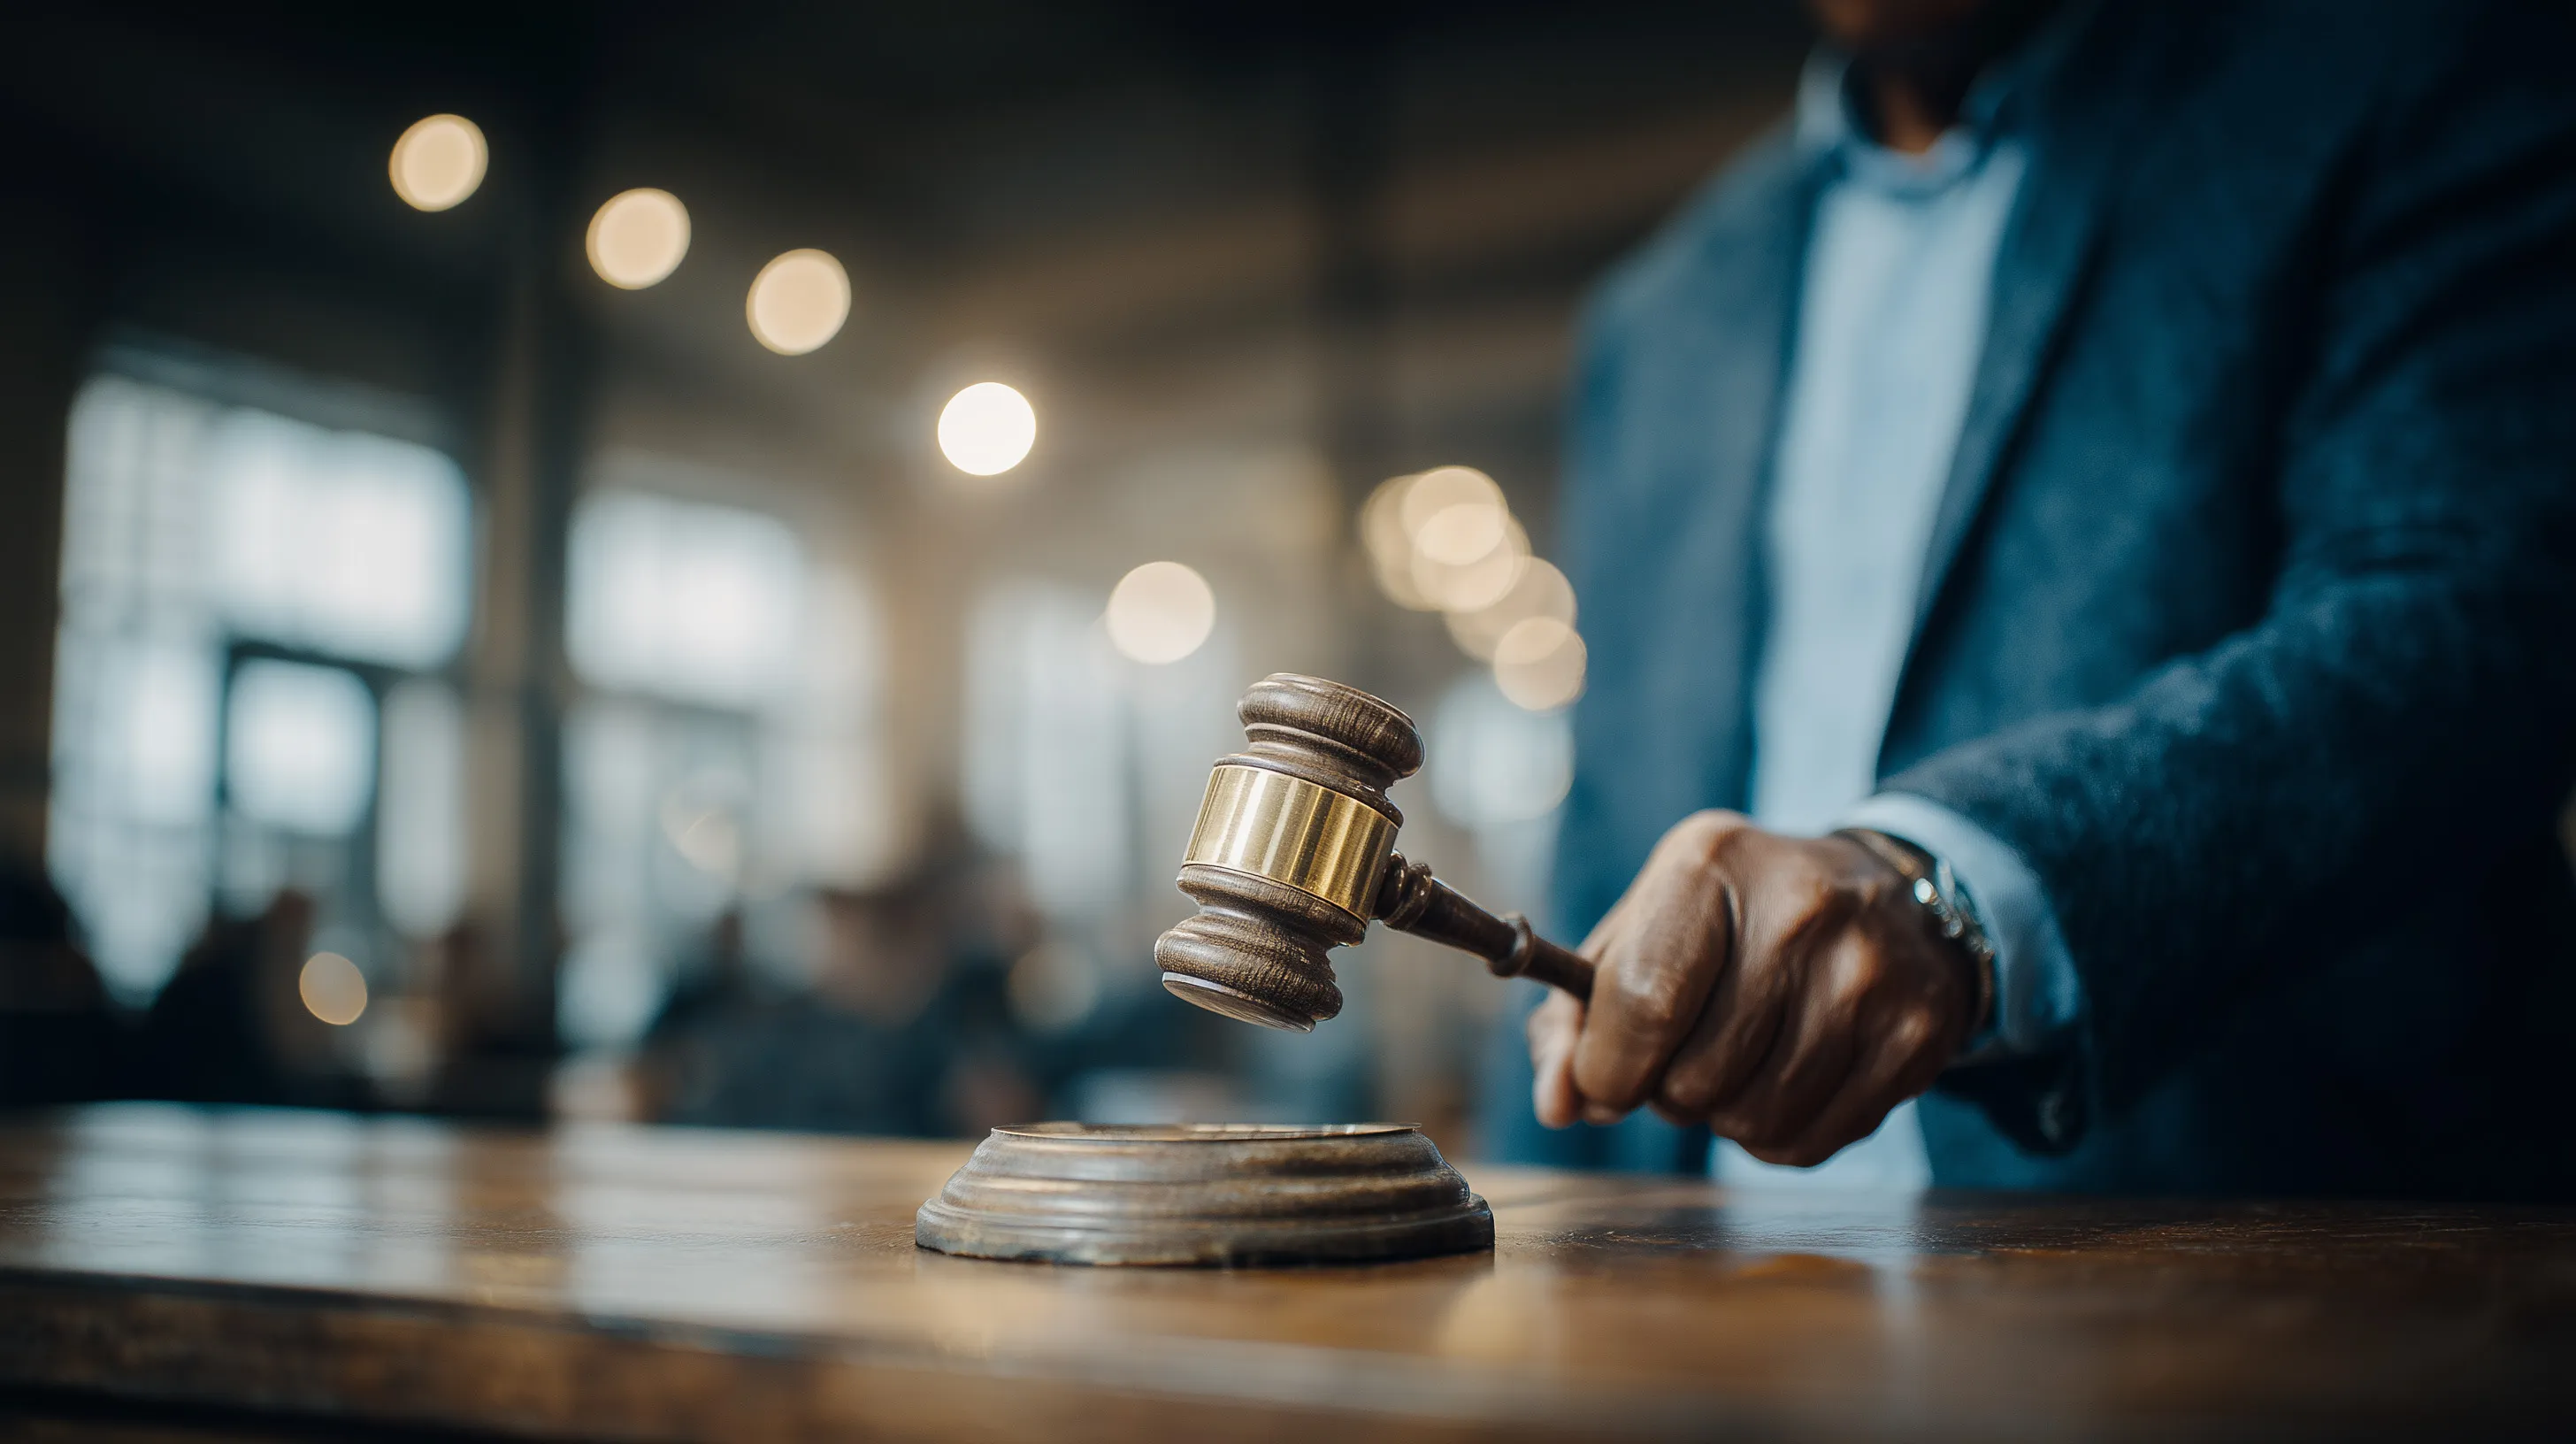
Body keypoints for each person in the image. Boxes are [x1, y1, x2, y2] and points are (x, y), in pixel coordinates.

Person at [1485, 0, 2576, 1198]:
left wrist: (1947, 895)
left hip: (2260, 1289)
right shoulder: (1660, 315)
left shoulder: (2404, 81)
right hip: (1705, 1308)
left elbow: (2465, 624)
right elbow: (1604, 844)